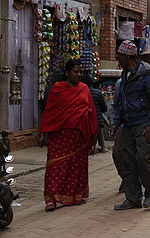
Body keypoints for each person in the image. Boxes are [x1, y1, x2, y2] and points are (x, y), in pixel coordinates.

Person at [110, 40, 150, 210]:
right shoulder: (124, 75)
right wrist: (116, 123)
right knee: (128, 162)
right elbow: (119, 103)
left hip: (142, 123)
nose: (118, 59)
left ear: (128, 56)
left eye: (120, 56)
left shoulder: (146, 74)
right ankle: (132, 198)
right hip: (127, 124)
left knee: (142, 159)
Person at [39, 59, 98, 212]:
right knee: (55, 166)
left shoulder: (84, 89)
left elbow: (91, 111)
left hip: (79, 136)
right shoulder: (57, 89)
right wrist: (42, 132)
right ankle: (51, 199)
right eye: (76, 72)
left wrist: (94, 133)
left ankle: (73, 196)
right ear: (67, 73)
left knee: (76, 166)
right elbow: (50, 111)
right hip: (59, 135)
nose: (79, 75)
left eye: (81, 72)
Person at [83, 76, 108, 154]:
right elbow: (104, 108)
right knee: (99, 131)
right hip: (97, 119)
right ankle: (103, 146)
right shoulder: (97, 93)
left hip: (85, 119)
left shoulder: (81, 93)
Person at [111, 78, 126, 193]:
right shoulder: (120, 82)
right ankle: (126, 178)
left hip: (140, 122)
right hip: (123, 122)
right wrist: (114, 123)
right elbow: (115, 104)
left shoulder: (144, 77)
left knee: (139, 155)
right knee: (117, 152)